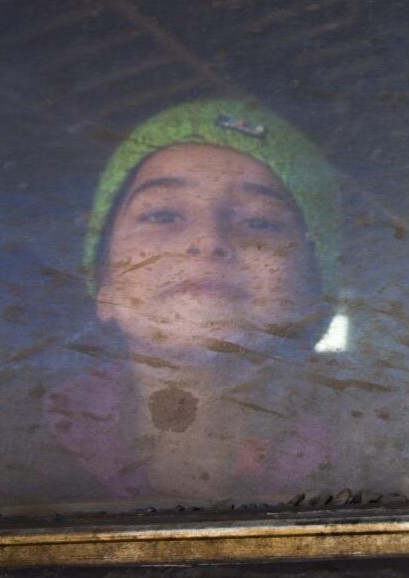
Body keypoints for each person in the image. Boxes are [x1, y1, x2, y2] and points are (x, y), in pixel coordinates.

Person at [43, 99, 345, 502]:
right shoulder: (6, 438)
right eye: (163, 215)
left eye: (260, 221)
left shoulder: (389, 463)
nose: (208, 240)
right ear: (105, 287)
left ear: (312, 294)